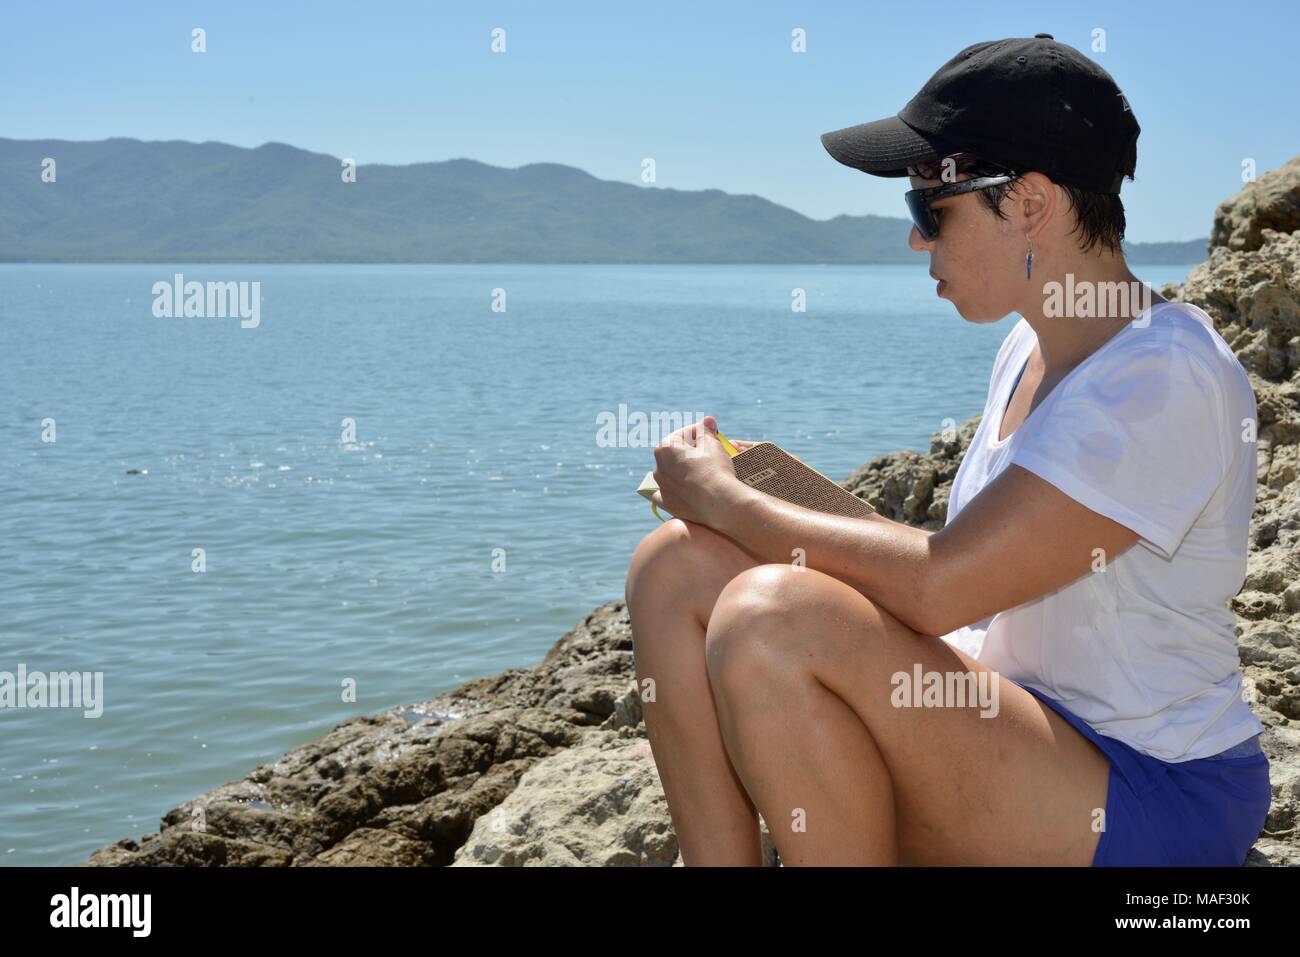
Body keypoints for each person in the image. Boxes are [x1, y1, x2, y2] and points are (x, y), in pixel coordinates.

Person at [624, 35, 1271, 866]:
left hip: (1147, 790)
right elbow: (976, 589)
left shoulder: (1162, 375)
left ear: (1030, 201)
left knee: (768, 618)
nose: (916, 240)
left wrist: (730, 499)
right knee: (672, 565)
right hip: (1020, 732)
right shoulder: (1028, 349)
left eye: (932, 206)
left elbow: (940, 585)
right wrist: (743, 508)